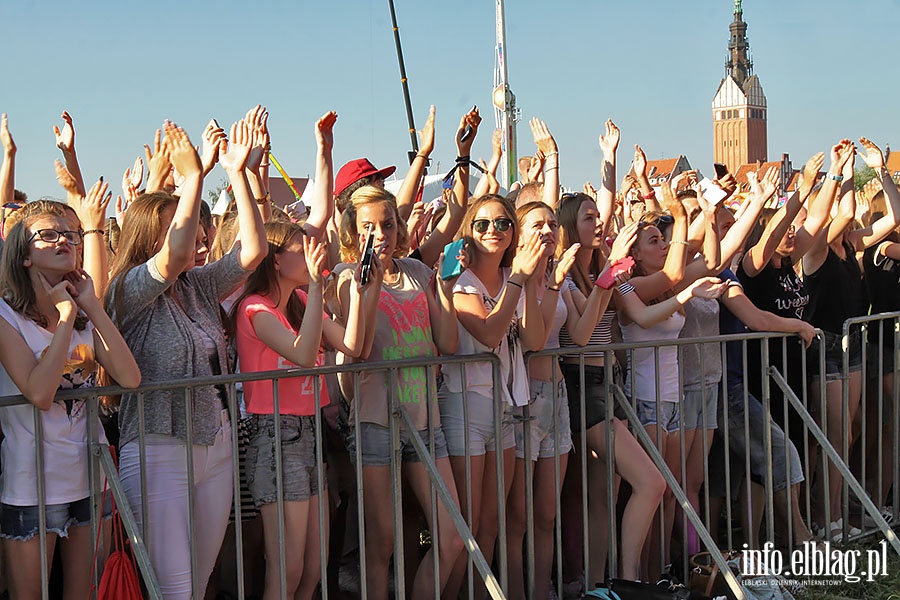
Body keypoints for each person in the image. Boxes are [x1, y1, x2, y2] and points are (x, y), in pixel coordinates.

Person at [106, 119, 266, 599]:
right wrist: (193, 178)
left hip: (214, 447)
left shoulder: (197, 286)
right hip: (158, 451)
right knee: (173, 589)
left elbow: (253, 252)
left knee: (196, 586)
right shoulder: (127, 290)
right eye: (185, 225)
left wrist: (237, 172)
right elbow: (173, 256)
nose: (198, 235)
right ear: (148, 236)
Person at [0, 195, 140, 600]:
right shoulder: (6, 317)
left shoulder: (81, 314)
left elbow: (129, 378)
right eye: (49, 234)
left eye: (72, 234)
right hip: (32, 486)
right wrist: (63, 319)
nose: (65, 240)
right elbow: (40, 392)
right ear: (23, 254)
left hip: (87, 480)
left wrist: (92, 307)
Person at [329, 184, 464, 600]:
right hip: (374, 422)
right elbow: (360, 348)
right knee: (380, 545)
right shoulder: (344, 278)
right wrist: (366, 288)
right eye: (368, 226)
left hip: (425, 420)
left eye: (387, 224)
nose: (380, 234)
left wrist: (444, 287)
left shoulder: (418, 273)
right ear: (353, 231)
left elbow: (449, 342)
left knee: (452, 535)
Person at [232, 221, 372, 599]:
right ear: (276, 260)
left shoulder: (300, 303)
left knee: (313, 566)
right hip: (274, 434)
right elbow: (304, 356)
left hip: (307, 433)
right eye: (300, 247)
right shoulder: (254, 308)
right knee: (287, 567)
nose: (312, 252)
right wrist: (315, 284)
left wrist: (360, 291)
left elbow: (353, 345)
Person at [440, 193, 546, 597]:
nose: (493, 231)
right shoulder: (460, 279)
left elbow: (533, 339)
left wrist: (528, 281)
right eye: (482, 224)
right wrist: (519, 280)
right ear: (469, 230)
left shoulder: (512, 277)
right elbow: (487, 333)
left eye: (503, 223)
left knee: (490, 521)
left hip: (504, 404)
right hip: (464, 403)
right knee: (464, 522)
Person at [802, 137, 900, 539]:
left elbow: (893, 218)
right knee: (835, 437)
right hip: (825, 348)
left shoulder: (853, 245)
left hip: (853, 347)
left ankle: (837, 509)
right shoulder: (815, 250)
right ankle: (825, 519)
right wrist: (838, 173)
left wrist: (881, 169)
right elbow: (838, 213)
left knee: (850, 433)